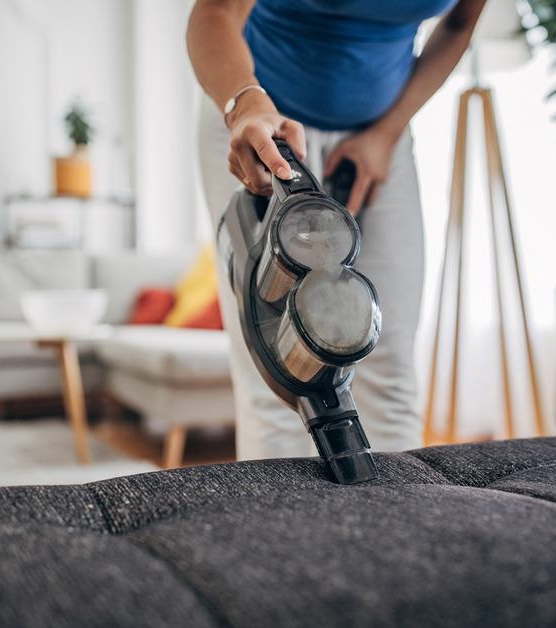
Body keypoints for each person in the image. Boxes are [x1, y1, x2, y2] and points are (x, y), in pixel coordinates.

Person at [188, 0, 487, 460]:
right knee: (276, 368)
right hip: (260, 124)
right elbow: (216, 12)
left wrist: (386, 134)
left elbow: (460, 23)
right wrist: (244, 103)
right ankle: (283, 528)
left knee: (389, 362)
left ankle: (397, 521)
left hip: (378, 131)